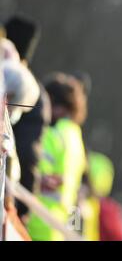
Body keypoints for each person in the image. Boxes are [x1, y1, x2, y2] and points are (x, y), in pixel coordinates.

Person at [26, 73, 87, 240]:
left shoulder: (52, 134)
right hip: (57, 227)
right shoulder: (76, 137)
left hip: (35, 223)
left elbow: (34, 170)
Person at [5, 15, 52, 220]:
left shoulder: (30, 93)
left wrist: (20, 208)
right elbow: (28, 154)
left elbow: (25, 153)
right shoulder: (36, 94)